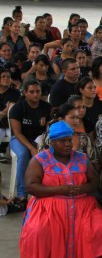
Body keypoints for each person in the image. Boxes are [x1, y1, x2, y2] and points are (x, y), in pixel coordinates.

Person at [20, 121, 102, 258]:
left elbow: (94, 181)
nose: (67, 144)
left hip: (82, 204)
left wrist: (83, 189)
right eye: (62, 141)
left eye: (69, 140)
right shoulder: (40, 159)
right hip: (48, 205)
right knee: (40, 231)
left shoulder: (81, 158)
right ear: (52, 142)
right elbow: (31, 187)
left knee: (97, 228)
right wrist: (60, 189)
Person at [9, 80, 52, 209]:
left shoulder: (47, 107)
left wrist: (41, 144)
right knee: (23, 155)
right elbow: (17, 132)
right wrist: (31, 148)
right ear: (25, 93)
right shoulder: (18, 108)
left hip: (40, 139)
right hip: (20, 139)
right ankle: (22, 194)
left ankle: (43, 191)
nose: (35, 94)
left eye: (38, 91)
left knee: (47, 155)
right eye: (31, 92)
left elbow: (48, 129)